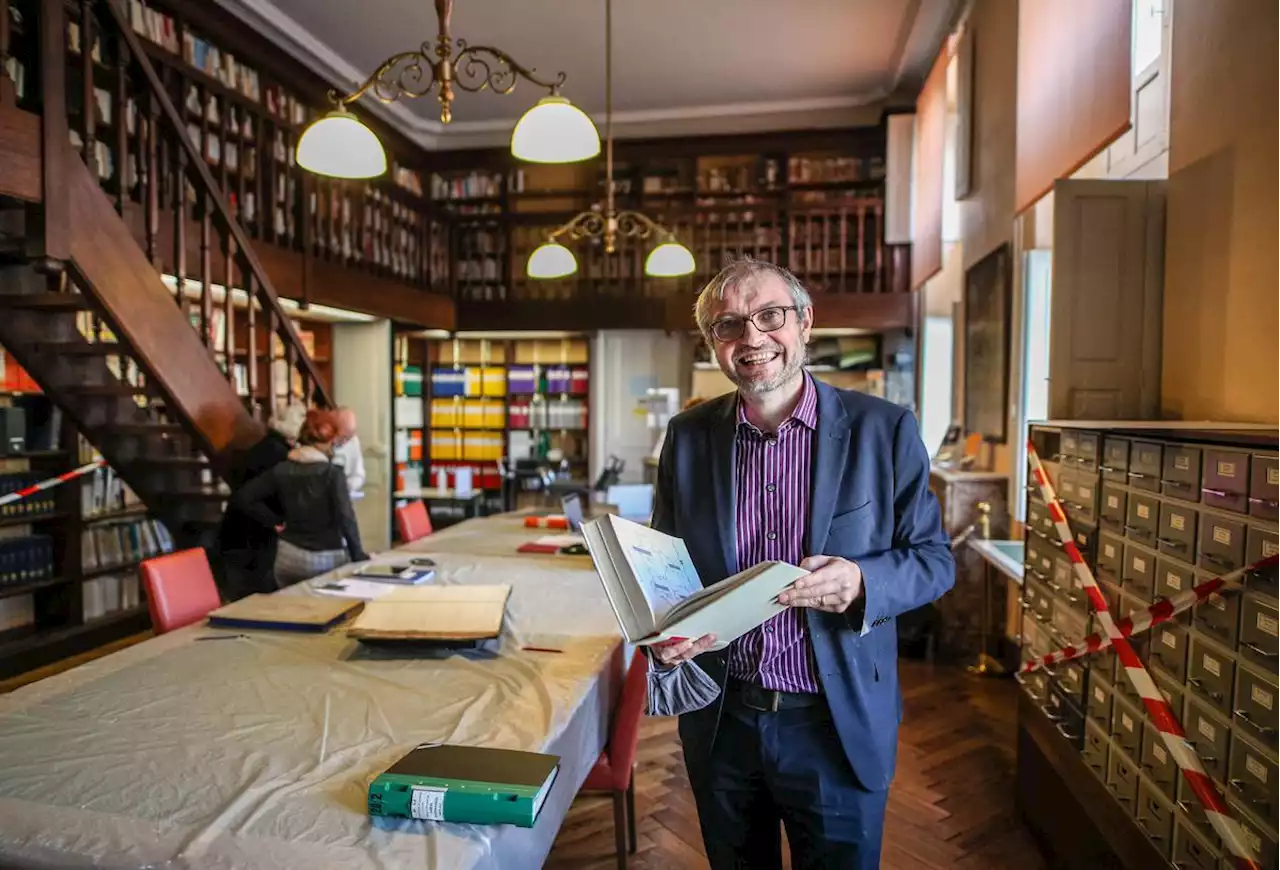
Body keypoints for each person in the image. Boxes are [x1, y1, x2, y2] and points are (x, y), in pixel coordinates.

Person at [649, 257, 954, 870]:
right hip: (722, 720)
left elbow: (933, 560)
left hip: (834, 725)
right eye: (729, 325)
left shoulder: (884, 430)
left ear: (805, 323)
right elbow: (665, 567)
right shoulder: (687, 436)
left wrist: (865, 581)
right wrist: (660, 630)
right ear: (713, 344)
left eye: (769, 316)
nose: (752, 338)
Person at [232, 408, 370, 587]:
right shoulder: (332, 474)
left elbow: (243, 497)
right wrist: (359, 556)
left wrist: (275, 521)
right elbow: (346, 517)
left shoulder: (281, 469)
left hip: (288, 556)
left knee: (292, 609)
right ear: (329, 442)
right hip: (326, 556)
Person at [331, 407, 366, 499]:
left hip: (343, 495)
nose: (345, 442)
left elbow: (359, 475)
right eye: (343, 436)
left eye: (349, 437)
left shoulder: (353, 441)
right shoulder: (322, 440)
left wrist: (346, 486)